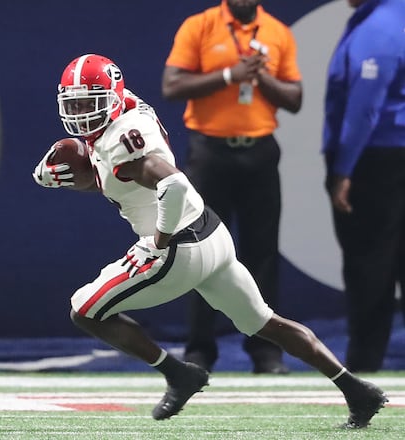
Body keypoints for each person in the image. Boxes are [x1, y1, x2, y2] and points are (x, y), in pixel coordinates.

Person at [32, 53, 386, 428]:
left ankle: (177, 374)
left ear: (113, 98)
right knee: (266, 321)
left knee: (84, 310)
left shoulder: (123, 140)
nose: (82, 112)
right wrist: (81, 171)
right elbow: (119, 177)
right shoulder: (126, 110)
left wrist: (160, 239)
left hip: (178, 247)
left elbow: (173, 184)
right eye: (76, 104)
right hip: (212, 234)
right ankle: (357, 391)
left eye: (91, 103)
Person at [160, 0, 303, 374]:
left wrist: (258, 77)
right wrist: (229, 75)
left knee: (262, 253)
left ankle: (266, 352)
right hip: (211, 153)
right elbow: (172, 85)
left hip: (260, 153)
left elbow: (295, 98)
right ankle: (200, 350)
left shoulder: (277, 32)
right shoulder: (200, 26)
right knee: (200, 251)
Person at [323, 0, 405, 373]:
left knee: (369, 265)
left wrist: (343, 170)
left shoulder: (380, 28)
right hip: (389, 155)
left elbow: (364, 108)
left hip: (376, 161)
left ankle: (364, 367)